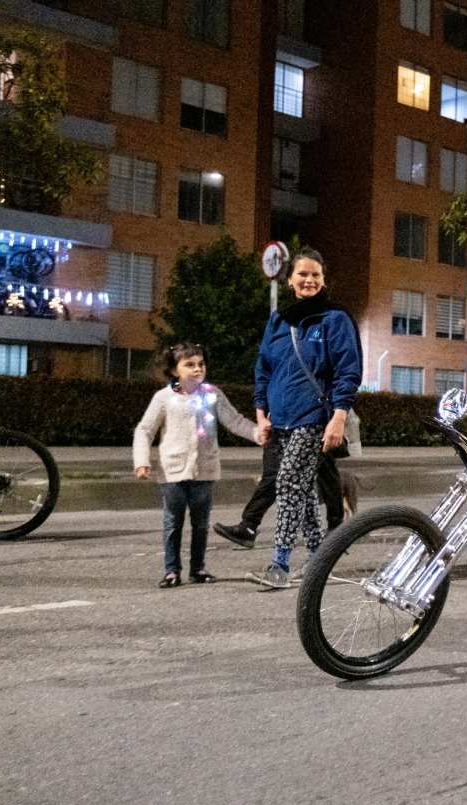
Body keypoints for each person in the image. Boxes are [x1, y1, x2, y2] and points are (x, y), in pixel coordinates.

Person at [246, 248, 362, 589]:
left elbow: (348, 370)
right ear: (291, 280)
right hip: (278, 420)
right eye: (303, 275)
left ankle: (279, 565)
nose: (309, 280)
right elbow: (263, 368)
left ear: (324, 280)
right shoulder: (279, 320)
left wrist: (338, 417)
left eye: (316, 275)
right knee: (301, 490)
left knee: (286, 484)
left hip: (313, 417)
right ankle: (317, 558)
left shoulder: (335, 318)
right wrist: (260, 413)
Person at [133, 342, 259, 588]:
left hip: (205, 470)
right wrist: (142, 461)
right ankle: (172, 570)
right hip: (172, 471)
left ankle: (198, 568)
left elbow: (234, 421)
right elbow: (145, 430)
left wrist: (258, 434)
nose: (197, 369)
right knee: (173, 522)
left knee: (200, 524)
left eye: (200, 364)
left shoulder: (212, 394)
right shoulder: (164, 398)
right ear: (174, 370)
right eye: (189, 365)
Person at [211, 440, 344, 551]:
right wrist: (262, 417)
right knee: (274, 475)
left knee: (323, 469)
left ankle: (335, 528)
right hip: (279, 422)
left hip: (308, 421)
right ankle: (249, 526)